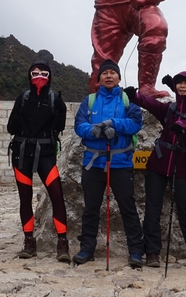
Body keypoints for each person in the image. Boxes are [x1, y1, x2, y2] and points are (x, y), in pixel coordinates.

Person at [123, 71, 186, 271]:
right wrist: (134, 96)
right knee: (153, 208)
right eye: (179, 83)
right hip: (159, 163)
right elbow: (151, 104)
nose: (182, 86)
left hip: (184, 166)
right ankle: (152, 252)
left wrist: (182, 126)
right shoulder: (169, 108)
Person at [72, 59, 146, 268]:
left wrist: (115, 124)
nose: (109, 76)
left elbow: (135, 123)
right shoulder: (90, 100)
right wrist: (93, 130)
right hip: (94, 163)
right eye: (105, 73)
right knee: (91, 207)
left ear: (119, 78)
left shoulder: (126, 100)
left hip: (120, 162)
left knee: (127, 207)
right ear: (99, 78)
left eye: (113, 73)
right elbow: (79, 125)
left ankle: (136, 251)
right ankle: (87, 248)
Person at [6, 60, 71, 263]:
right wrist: (18, 118)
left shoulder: (53, 99)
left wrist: (62, 111)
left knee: (57, 195)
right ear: (29, 76)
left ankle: (62, 242)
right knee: (24, 198)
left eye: (44, 73)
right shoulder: (23, 98)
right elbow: (11, 128)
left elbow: (58, 127)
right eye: (35, 73)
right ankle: (28, 240)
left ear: (50, 76)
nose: (39, 76)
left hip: (45, 154)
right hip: (22, 153)